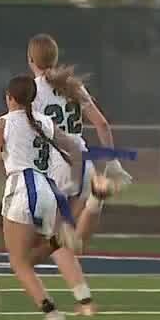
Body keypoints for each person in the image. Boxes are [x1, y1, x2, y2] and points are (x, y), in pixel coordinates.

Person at [0, 76, 89, 320]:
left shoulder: (4, 122)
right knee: (33, 252)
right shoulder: (45, 121)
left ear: (10, 98)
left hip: (21, 190)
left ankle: (51, 312)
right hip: (47, 190)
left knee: (19, 263)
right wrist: (75, 184)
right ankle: (58, 240)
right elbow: (75, 150)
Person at [27, 34, 131, 247]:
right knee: (73, 242)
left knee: (41, 239)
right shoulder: (73, 86)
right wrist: (112, 160)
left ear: (30, 60)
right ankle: (95, 199)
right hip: (84, 163)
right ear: (54, 59)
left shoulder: (32, 90)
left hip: (55, 165)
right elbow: (102, 124)